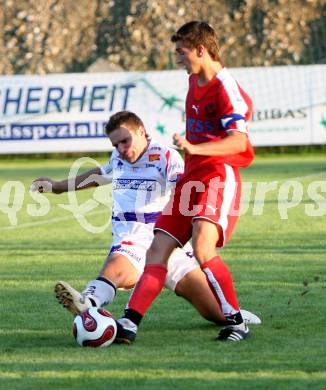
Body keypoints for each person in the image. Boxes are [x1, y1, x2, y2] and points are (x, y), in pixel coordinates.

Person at [31, 111, 260, 330]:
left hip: (167, 241)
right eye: (115, 145)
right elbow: (99, 174)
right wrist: (59, 187)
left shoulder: (165, 156)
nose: (120, 149)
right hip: (132, 238)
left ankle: (232, 314)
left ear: (141, 131)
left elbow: (184, 192)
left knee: (216, 314)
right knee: (116, 268)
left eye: (124, 141)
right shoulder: (118, 158)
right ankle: (88, 302)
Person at [115, 21, 256, 343]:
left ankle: (237, 323)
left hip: (218, 175)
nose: (177, 58)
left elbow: (238, 142)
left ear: (201, 50)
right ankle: (129, 323)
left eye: (181, 52)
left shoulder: (225, 87)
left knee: (203, 248)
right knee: (158, 249)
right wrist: (193, 152)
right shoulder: (195, 79)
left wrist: (195, 148)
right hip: (191, 177)